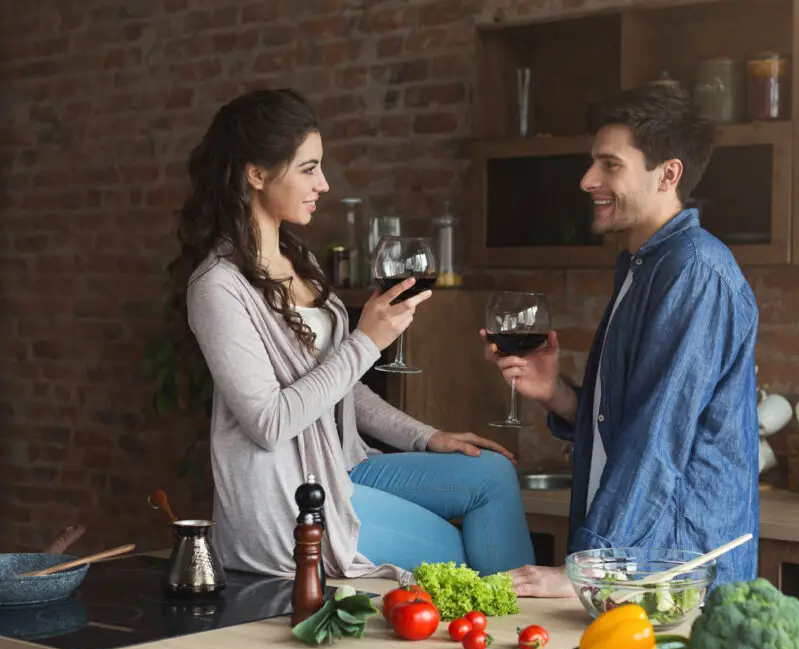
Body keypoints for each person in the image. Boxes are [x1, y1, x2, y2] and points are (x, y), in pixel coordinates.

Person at [169, 88, 535, 581]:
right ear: (255, 174)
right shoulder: (217, 287)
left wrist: (427, 438)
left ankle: (515, 626)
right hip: (290, 498)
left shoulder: (301, 261)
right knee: (451, 547)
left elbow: (342, 387)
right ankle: (494, 635)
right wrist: (365, 342)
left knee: (492, 474)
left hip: (341, 464)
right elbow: (269, 422)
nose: (323, 183)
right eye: (307, 168)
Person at [482, 84, 760, 596]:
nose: (588, 180)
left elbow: (659, 437)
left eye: (610, 165)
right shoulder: (643, 265)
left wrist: (588, 569)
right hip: (635, 566)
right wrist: (558, 396)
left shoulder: (695, 271)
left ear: (667, 174)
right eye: (593, 163)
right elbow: (630, 421)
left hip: (674, 572)